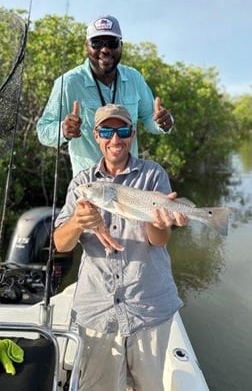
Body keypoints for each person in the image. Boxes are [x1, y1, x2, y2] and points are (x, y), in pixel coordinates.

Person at [53, 104, 188, 391]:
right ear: (96, 135)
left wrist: (160, 221)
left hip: (147, 304)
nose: (115, 139)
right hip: (98, 309)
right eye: (107, 131)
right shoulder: (82, 183)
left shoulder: (153, 175)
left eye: (123, 130)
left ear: (133, 134)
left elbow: (159, 241)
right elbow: (61, 244)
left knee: (149, 385)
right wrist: (78, 222)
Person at [36, 14, 174, 177]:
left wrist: (164, 123)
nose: (105, 49)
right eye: (97, 43)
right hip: (89, 185)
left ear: (121, 45)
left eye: (112, 43)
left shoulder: (134, 78)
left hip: (130, 183)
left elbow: (151, 118)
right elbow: (43, 131)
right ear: (86, 46)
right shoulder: (68, 82)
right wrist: (63, 130)